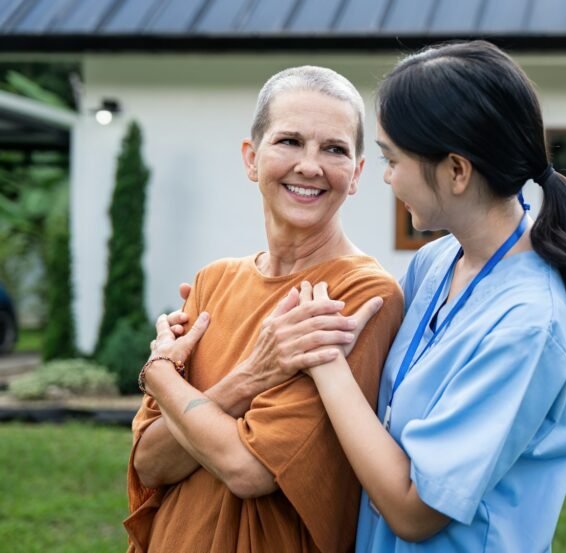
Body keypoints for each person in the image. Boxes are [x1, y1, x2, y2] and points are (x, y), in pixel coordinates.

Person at [279, 40, 566, 551]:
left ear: (457, 171)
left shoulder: (527, 325)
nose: (387, 178)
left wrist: (324, 362)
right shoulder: (437, 262)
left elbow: (415, 512)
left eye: (393, 159)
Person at [123, 66, 403, 552]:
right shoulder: (213, 283)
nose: (310, 166)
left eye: (334, 149)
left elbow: (248, 469)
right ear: (251, 158)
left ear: (356, 174)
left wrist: (161, 375)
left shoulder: (357, 294)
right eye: (289, 141)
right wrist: (250, 377)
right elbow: (150, 461)